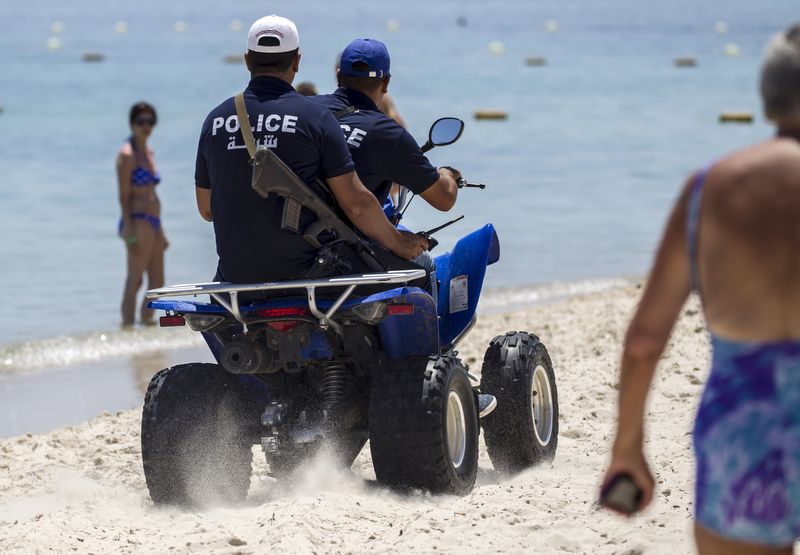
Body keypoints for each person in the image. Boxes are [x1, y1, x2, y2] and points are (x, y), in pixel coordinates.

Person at [602, 23, 800, 554]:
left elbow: (645, 340)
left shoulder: (710, 188)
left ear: (768, 98)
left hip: (746, 423)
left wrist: (628, 449)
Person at [194, 15, 426, 292]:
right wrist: (399, 242)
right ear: (296, 62)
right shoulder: (314, 117)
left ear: (247, 60)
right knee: (417, 276)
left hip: (235, 275)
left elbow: (206, 209)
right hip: (309, 272)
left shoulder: (216, 120)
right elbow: (356, 204)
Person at [315, 38, 460, 216]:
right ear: (385, 83)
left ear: (338, 76)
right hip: (341, 239)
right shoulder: (388, 134)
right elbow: (444, 199)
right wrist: (447, 175)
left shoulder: (303, 109)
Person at [116, 101, 167, 326]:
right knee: (135, 280)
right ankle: (127, 330)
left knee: (157, 281)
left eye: (150, 121)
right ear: (132, 124)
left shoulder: (149, 151)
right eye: (141, 122)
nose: (146, 126)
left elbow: (153, 193)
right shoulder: (127, 155)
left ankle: (146, 326)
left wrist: (162, 232)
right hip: (137, 222)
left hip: (154, 223)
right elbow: (123, 196)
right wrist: (128, 228)